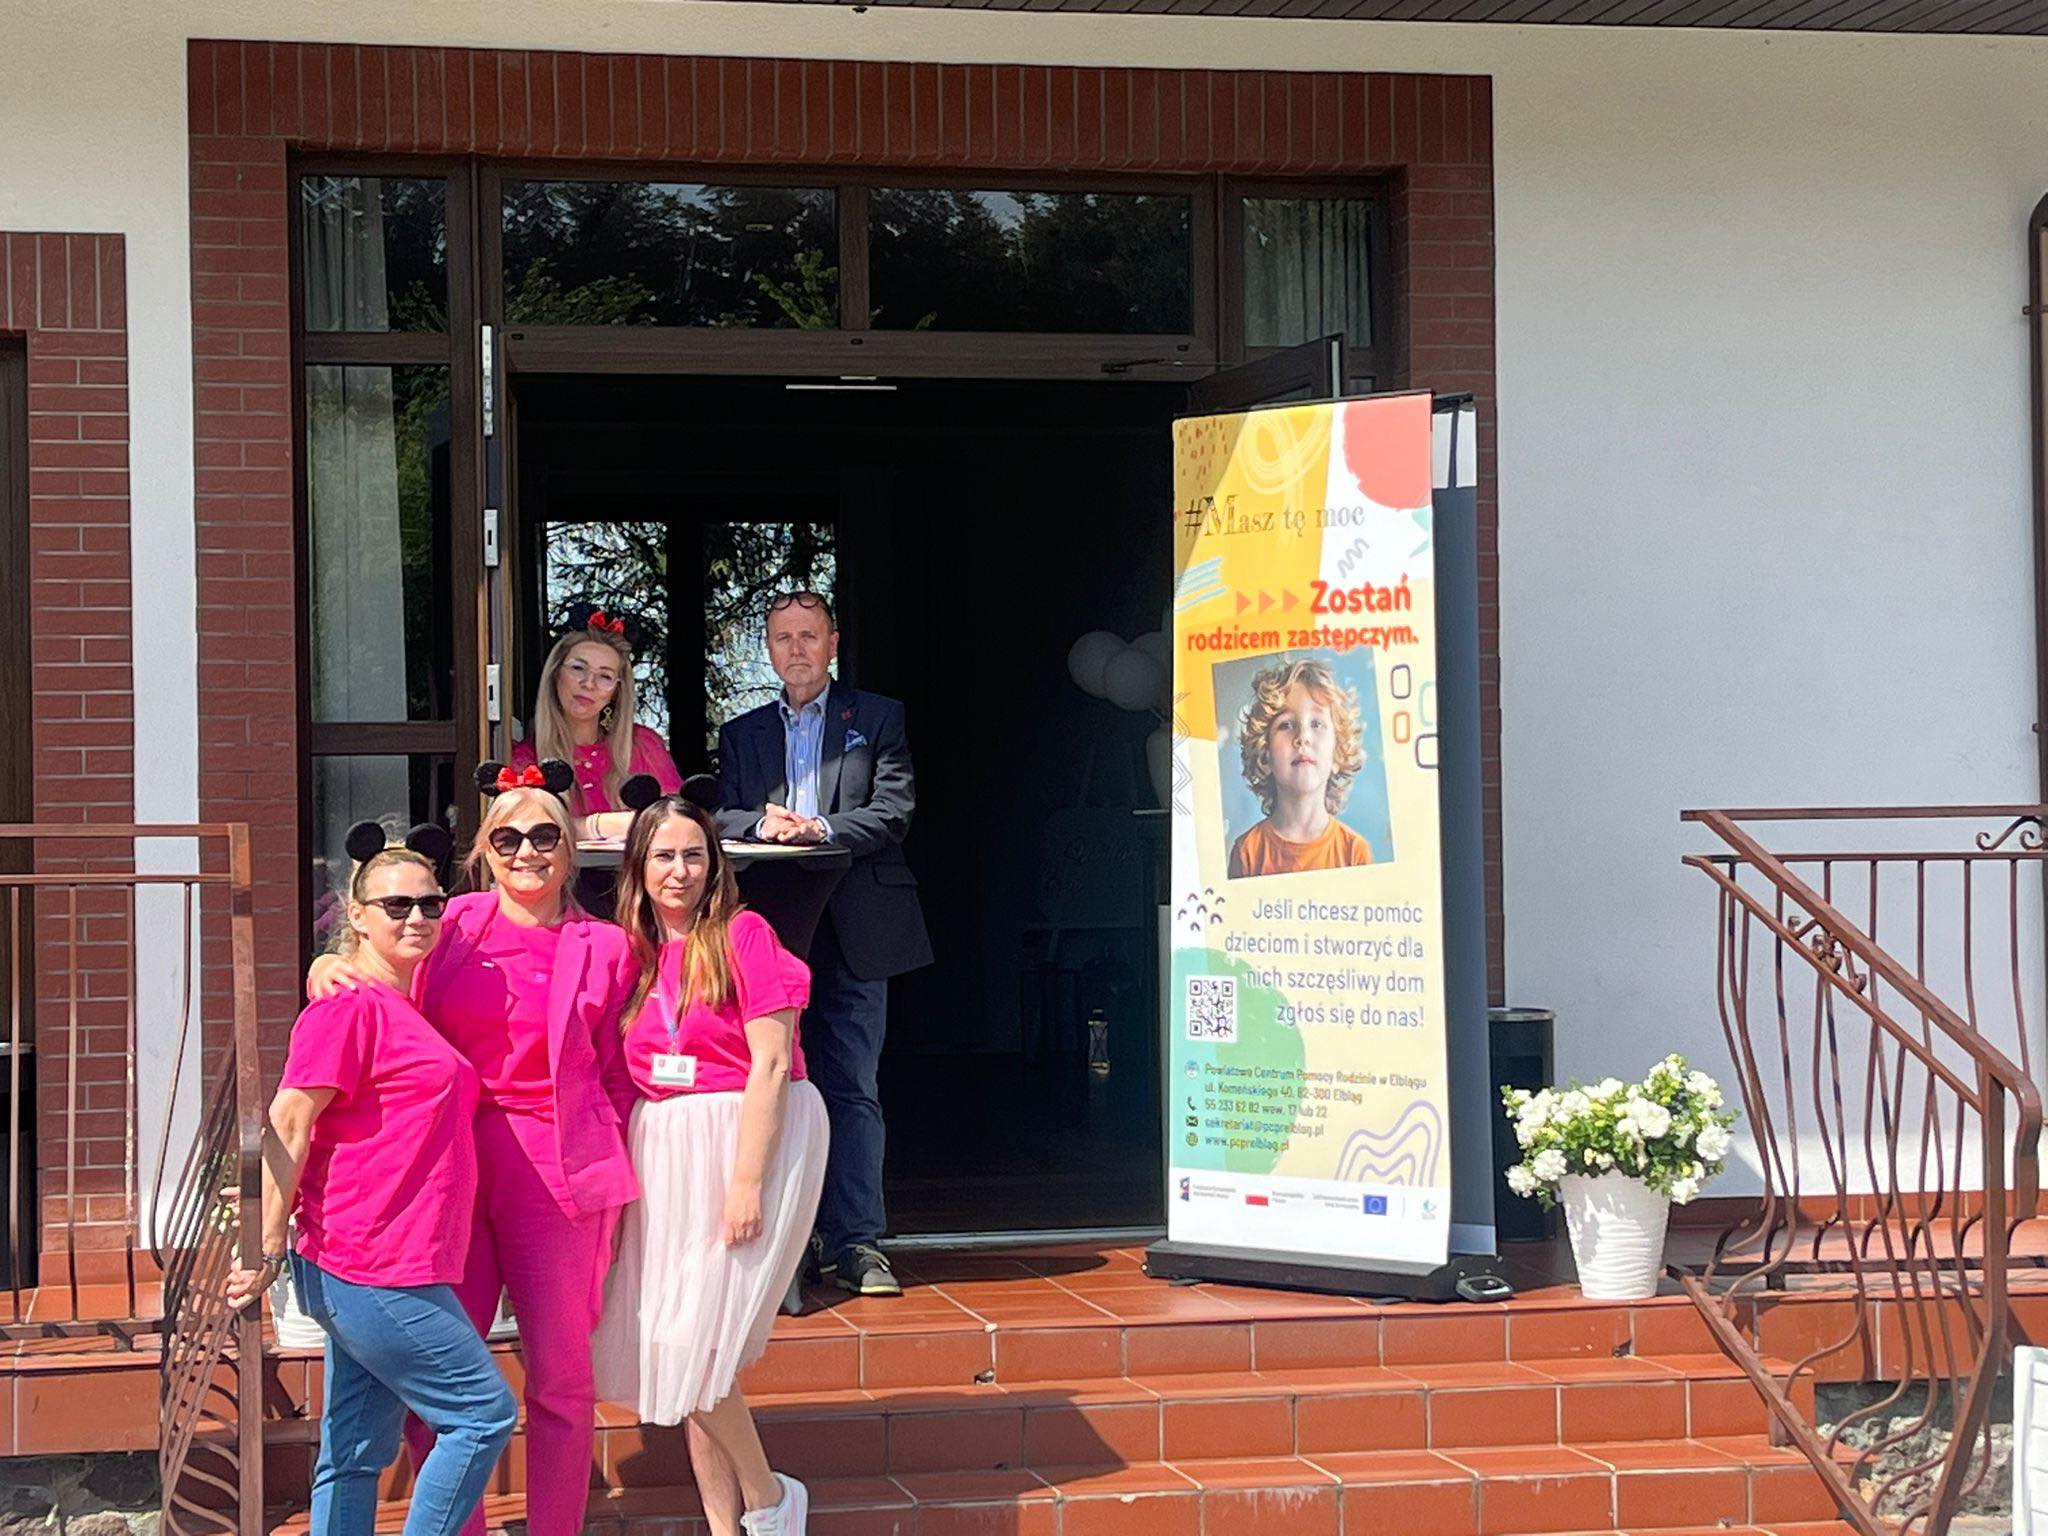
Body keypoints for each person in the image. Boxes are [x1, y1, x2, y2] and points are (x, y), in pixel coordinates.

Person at [309, 761, 641, 1536]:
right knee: (438, 1385)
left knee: (561, 1380)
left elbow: (619, 1070)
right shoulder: (448, 923)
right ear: (485, 849)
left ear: (569, 848)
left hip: (559, 1175)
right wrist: (328, 961)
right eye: (508, 836)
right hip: (448, 1170)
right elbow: (372, 966)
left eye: (545, 835)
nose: (527, 851)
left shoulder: (609, 946)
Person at [229, 825, 518, 1536]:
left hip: (388, 1259)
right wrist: (264, 1247)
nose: (417, 917)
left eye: (429, 903)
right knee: (482, 1415)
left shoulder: (395, 1000)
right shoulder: (347, 1006)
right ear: (356, 914)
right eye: (396, 905)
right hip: (373, 1264)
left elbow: (504, 909)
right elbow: (289, 1120)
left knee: (354, 1453)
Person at [593, 782, 826, 1536]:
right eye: (664, 855)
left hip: (740, 1136)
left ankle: (770, 1500)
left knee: (696, 1345)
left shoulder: (743, 934)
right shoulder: (629, 953)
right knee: (685, 1346)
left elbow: (771, 1063)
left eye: (694, 855)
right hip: (664, 1148)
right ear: (638, 866)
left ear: (714, 864)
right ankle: (730, 1527)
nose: (680, 870)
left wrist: (746, 1183)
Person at [715, 591, 929, 1298]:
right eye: (783, 638)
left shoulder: (877, 717)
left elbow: (894, 810)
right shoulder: (743, 732)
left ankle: (858, 1241)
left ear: (833, 644)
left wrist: (820, 830)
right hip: (774, 930)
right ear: (768, 649)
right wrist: (764, 827)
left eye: (809, 636)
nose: (797, 649)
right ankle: (791, 1242)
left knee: (852, 1085)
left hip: (859, 925)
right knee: (773, 1079)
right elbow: (721, 814)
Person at [515, 603, 682, 840]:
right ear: (555, 674)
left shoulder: (643, 744)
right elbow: (525, 832)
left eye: (605, 676)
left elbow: (679, 821)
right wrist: (600, 825)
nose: (589, 684)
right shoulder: (526, 759)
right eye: (578, 668)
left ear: (616, 691)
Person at [1227, 655, 1376, 879]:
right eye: (1286, 724)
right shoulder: (1247, 852)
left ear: (1337, 754)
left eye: (1317, 723)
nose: (1303, 736)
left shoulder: (1354, 853)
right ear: (1265, 756)